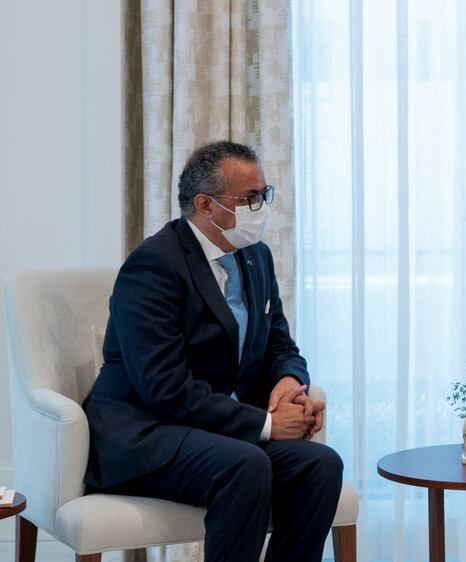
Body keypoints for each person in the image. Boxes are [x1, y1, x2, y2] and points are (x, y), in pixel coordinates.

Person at [83, 141, 343, 562]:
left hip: (211, 431)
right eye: (249, 198)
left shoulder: (255, 256)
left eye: (264, 194)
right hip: (146, 432)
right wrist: (268, 424)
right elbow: (163, 387)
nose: (260, 207)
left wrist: (289, 383)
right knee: (245, 464)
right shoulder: (153, 266)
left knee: (321, 465)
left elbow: (279, 342)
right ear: (205, 205)